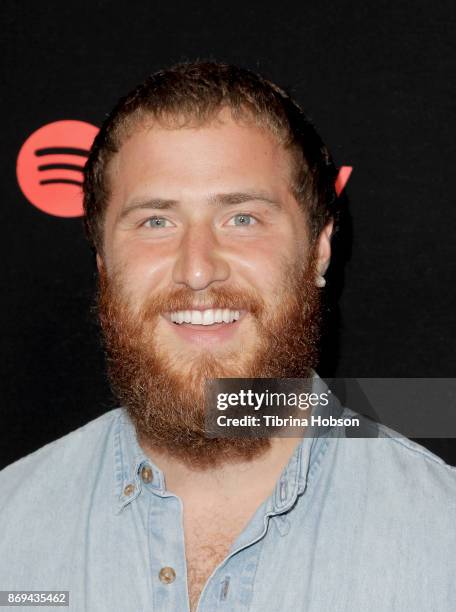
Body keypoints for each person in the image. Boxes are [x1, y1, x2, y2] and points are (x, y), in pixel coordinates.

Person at [1, 61, 455, 612]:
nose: (197, 270)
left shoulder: (441, 535)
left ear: (320, 249)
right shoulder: (12, 525)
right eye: (155, 222)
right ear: (102, 262)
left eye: (242, 218)